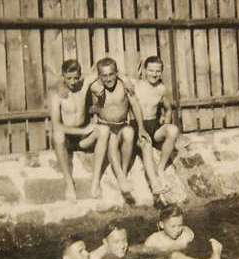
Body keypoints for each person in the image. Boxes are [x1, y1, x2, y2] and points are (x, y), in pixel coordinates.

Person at [89, 57, 152, 197]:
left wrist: (141, 128)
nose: (108, 78)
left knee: (129, 132)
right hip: (104, 126)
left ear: (117, 73)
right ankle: (121, 178)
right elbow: (85, 82)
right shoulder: (95, 87)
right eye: (104, 76)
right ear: (99, 76)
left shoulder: (124, 85)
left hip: (122, 125)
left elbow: (135, 105)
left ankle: (123, 174)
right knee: (110, 138)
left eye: (111, 74)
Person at [51, 59, 110, 201]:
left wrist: (125, 81)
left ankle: (95, 182)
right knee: (57, 135)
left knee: (104, 130)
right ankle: (69, 183)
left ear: (80, 75)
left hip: (83, 140)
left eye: (76, 78)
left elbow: (102, 67)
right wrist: (83, 131)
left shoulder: (84, 85)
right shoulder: (57, 95)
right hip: (67, 139)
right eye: (69, 78)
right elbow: (57, 125)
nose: (73, 82)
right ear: (63, 76)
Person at [130, 204, 224, 259]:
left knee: (177, 256)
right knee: (174, 256)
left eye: (180, 225)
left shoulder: (186, 234)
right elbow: (145, 257)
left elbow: (194, 248)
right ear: (162, 225)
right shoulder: (153, 240)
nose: (177, 229)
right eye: (173, 226)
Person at [131, 56, 180, 187]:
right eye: (151, 70)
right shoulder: (136, 85)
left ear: (161, 72)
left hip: (153, 125)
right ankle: (154, 182)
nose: (154, 74)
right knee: (146, 144)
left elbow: (168, 109)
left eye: (158, 71)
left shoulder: (161, 89)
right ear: (145, 71)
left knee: (173, 130)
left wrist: (166, 123)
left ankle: (160, 168)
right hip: (137, 125)